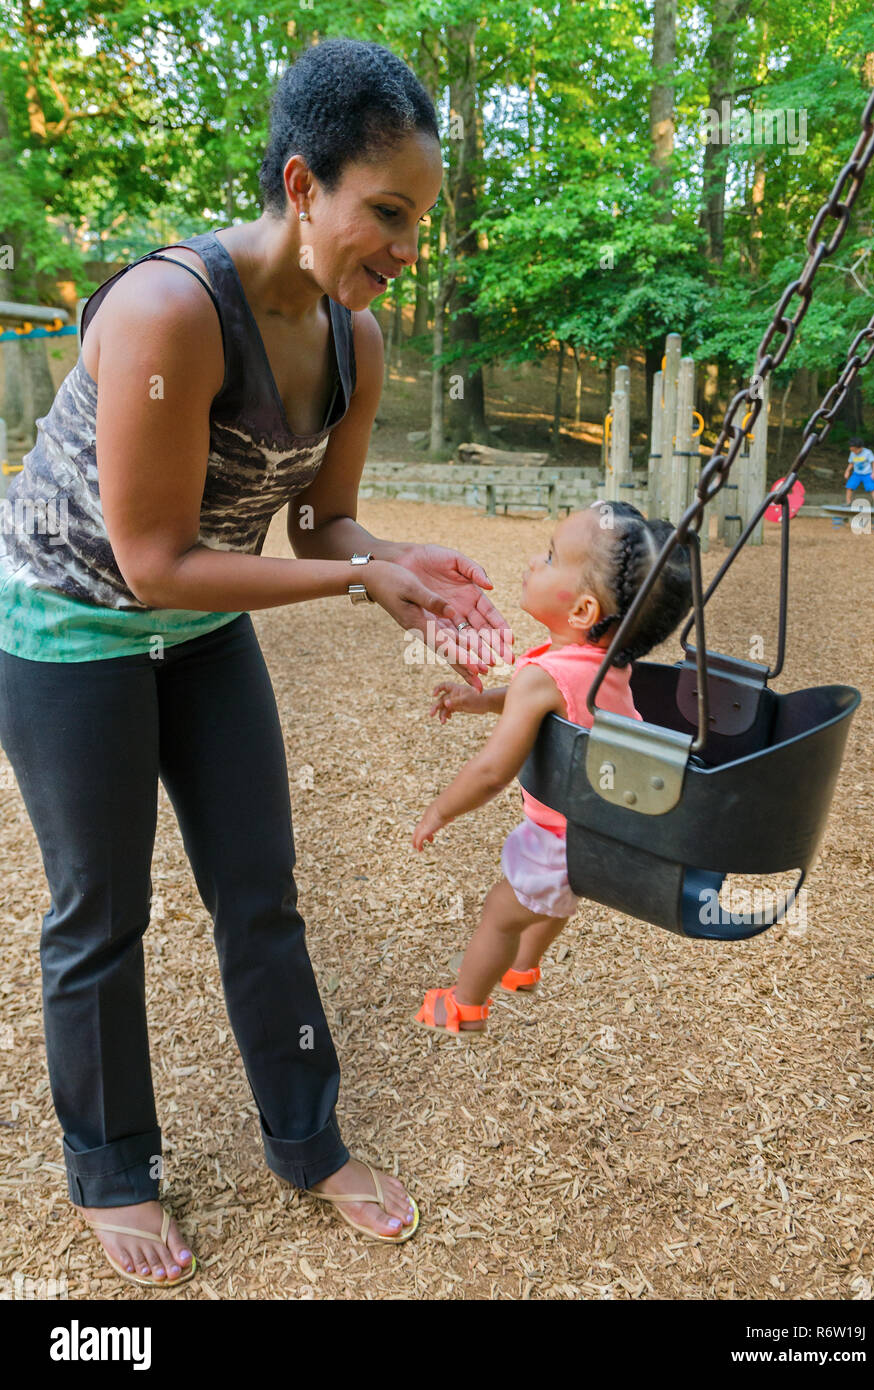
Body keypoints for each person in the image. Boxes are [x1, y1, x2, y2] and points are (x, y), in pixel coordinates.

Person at [0, 38, 513, 1288]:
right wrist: (350, 576)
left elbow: (317, 524)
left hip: (199, 629)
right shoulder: (169, 309)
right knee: (99, 913)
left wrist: (395, 563)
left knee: (259, 889)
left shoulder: (355, 340)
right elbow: (154, 557)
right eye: (384, 212)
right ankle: (112, 1168)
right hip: (69, 625)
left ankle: (306, 1138)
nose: (403, 246)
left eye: (418, 220)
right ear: (300, 186)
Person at [412, 501, 691, 1035]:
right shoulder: (608, 663)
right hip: (606, 828)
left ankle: (464, 1006)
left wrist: (439, 811)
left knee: (502, 912)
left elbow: (493, 770)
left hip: (558, 837)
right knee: (552, 902)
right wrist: (477, 700)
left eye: (550, 556)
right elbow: (549, 699)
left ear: (583, 611)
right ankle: (524, 969)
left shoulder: (544, 675)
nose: (534, 563)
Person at [844, 437, 874, 504]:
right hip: (856, 474)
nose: (854, 452)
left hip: (867, 474)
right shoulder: (852, 453)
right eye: (852, 450)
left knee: (872, 488)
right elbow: (851, 463)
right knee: (849, 486)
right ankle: (848, 502)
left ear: (861, 448)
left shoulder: (868, 452)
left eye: (855, 450)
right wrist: (847, 471)